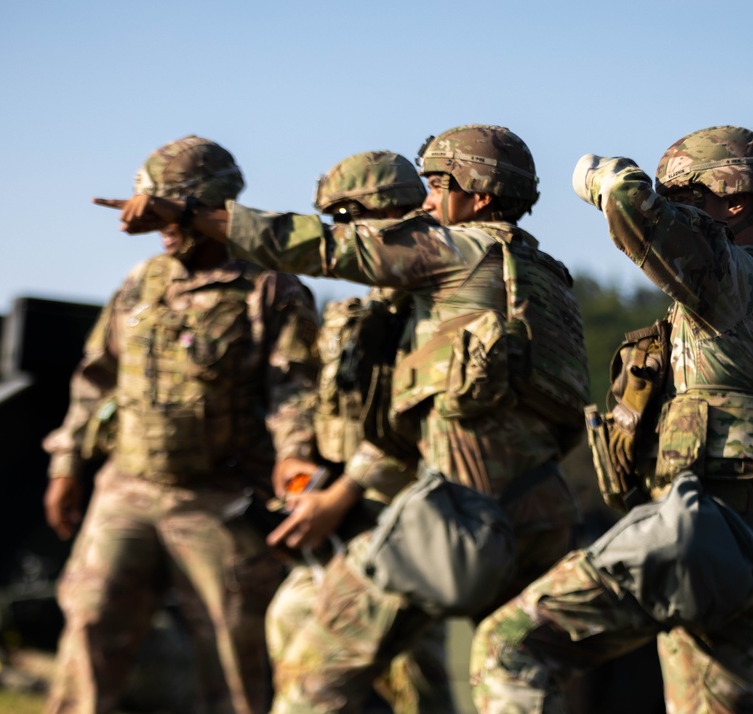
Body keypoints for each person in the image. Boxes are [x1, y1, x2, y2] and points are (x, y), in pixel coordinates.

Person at [96, 124, 589, 713]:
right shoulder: (548, 280)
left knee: (316, 679)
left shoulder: (457, 254)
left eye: (436, 186)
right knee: (509, 679)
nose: (426, 204)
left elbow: (319, 248)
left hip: (457, 517)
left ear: (479, 195)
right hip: (542, 516)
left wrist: (194, 213)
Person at [471, 126, 753, 713]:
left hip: (700, 530)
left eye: (683, 197)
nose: (673, 212)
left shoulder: (729, 278)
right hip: (752, 544)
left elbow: (630, 202)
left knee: (508, 648)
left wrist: (593, 175)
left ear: (733, 202)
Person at [43, 135, 320, 714]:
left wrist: (295, 456)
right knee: (90, 627)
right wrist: (67, 464)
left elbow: (294, 389)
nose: (159, 226)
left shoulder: (268, 285)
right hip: (128, 489)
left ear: (211, 207)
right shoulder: (143, 282)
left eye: (167, 210)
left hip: (220, 496)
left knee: (235, 652)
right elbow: (96, 378)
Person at [264, 150, 457, 714]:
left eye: (350, 219)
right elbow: (314, 393)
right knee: (292, 626)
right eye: (336, 222)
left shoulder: (435, 301)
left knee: (415, 680)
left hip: (408, 518)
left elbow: (416, 421)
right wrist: (297, 457)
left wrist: (342, 492)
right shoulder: (355, 307)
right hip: (340, 516)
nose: (341, 235)